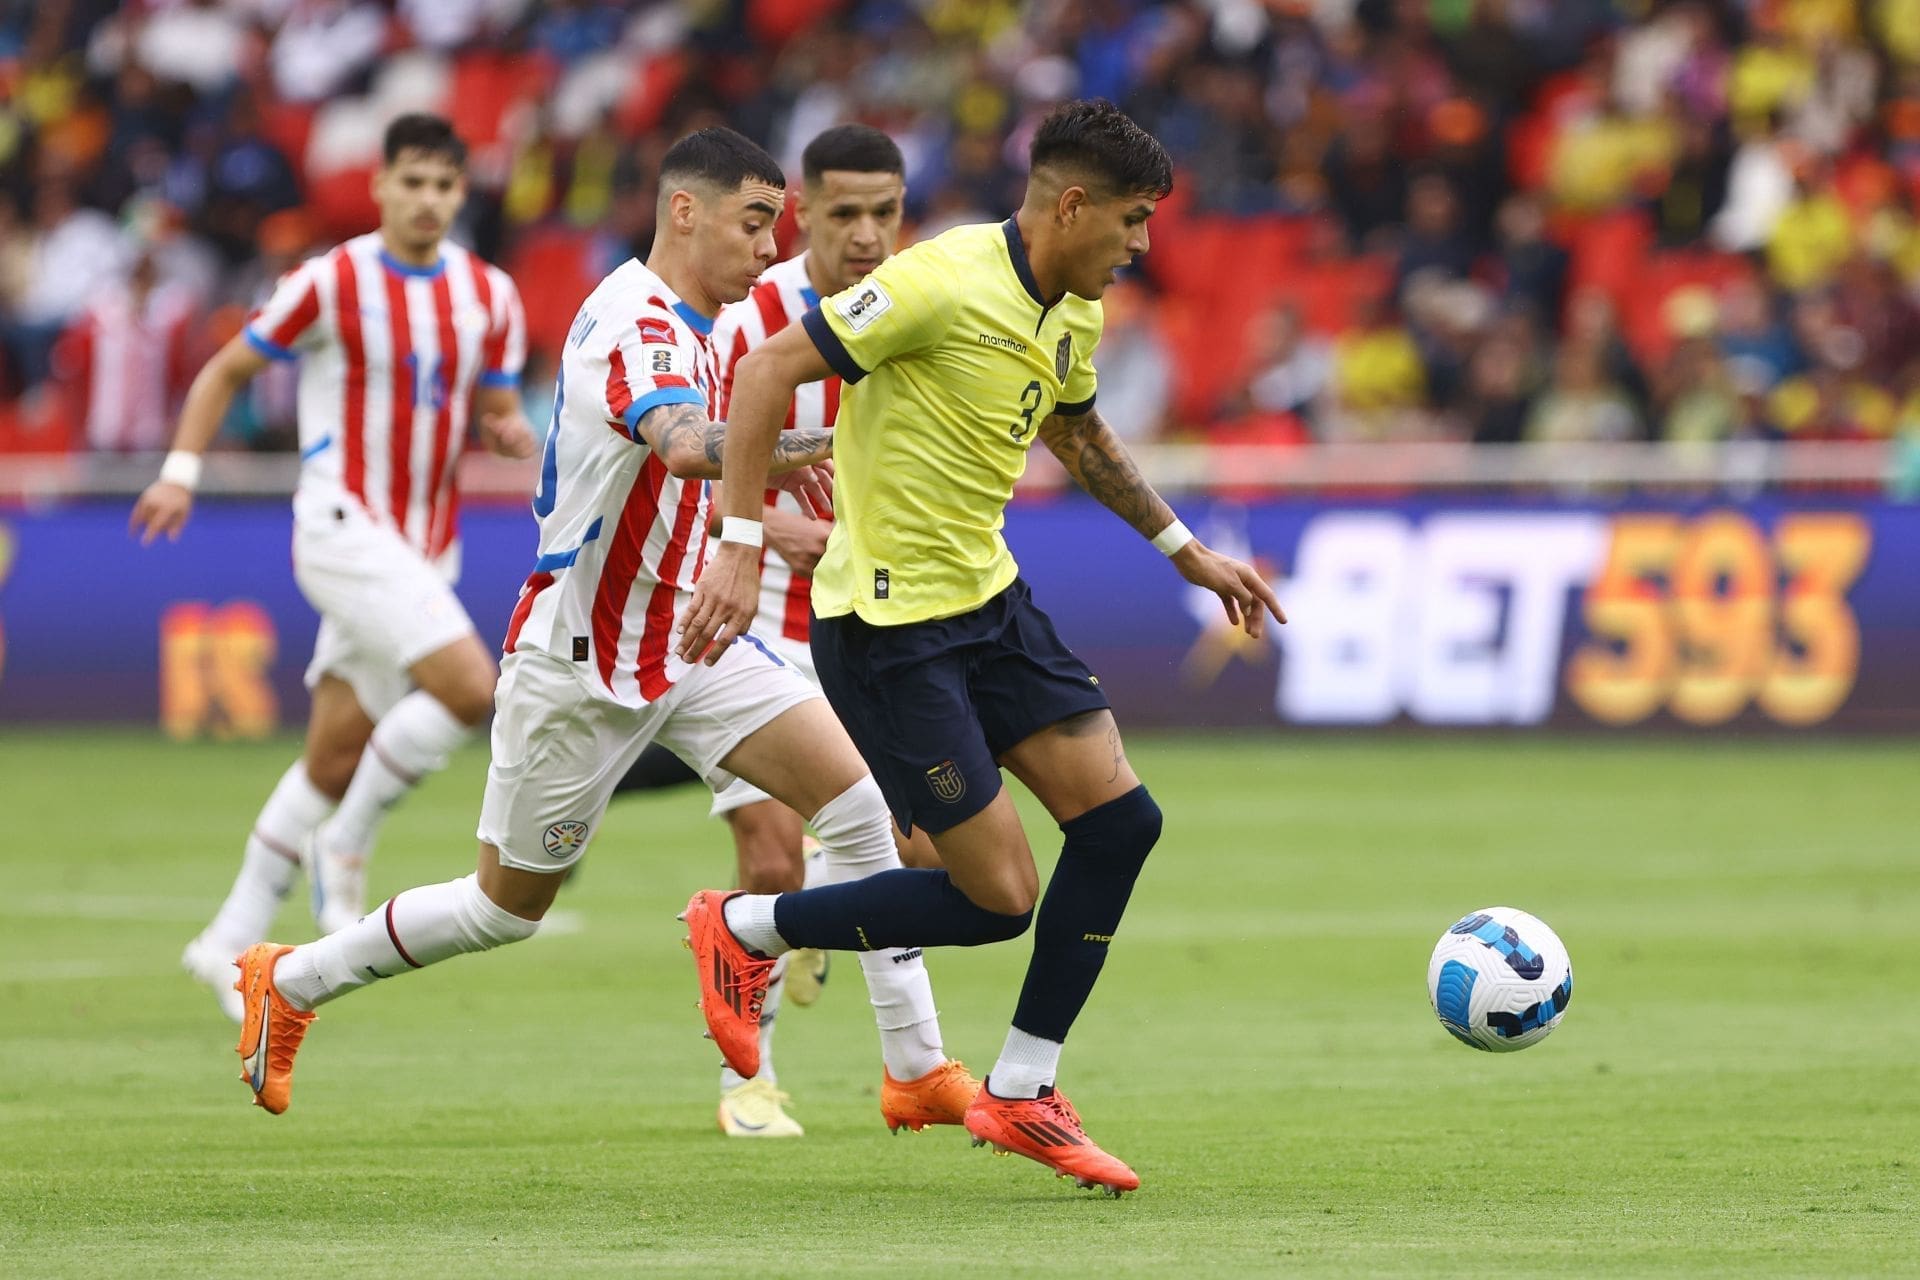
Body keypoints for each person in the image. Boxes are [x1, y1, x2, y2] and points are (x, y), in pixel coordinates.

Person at [222, 128, 980, 1143]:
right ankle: (294, 977)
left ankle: (915, 1065)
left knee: (860, 812)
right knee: (504, 906)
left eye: (774, 224)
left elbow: (664, 491)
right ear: (685, 213)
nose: (770, 247)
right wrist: (820, 440)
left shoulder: (707, 325)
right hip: (576, 665)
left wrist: (765, 509)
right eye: (755, 222)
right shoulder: (641, 324)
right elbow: (678, 446)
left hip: (687, 634)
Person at [675, 99, 1284, 1196]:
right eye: (1134, 220)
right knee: (997, 899)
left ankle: (1022, 1085)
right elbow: (767, 371)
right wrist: (737, 541)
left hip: (990, 603)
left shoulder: (1074, 309)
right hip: (891, 632)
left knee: (1120, 823)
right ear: (1071, 204)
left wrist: (1184, 548)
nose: (1144, 244)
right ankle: (747, 924)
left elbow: (1078, 430)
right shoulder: (938, 279)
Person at [131, 114, 536, 1021]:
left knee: (334, 750)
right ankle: (346, 844)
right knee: (474, 690)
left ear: (460, 193)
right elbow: (226, 370)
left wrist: (507, 431)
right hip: (342, 524)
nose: (429, 200)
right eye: (413, 182)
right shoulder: (331, 279)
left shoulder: (490, 295)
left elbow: (497, 408)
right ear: (383, 186)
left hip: (427, 543)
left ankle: (226, 937)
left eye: (444, 185)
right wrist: (179, 473)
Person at [608, 124, 949, 1138]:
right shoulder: (742, 314)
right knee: (768, 853)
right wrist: (763, 524)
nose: (866, 233)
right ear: (800, 211)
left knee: (920, 854)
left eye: (883, 211)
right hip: (749, 615)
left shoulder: (920, 307)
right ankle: (744, 1081)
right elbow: (679, 461)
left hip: (874, 620)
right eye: (842, 212)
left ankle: (819, 931)